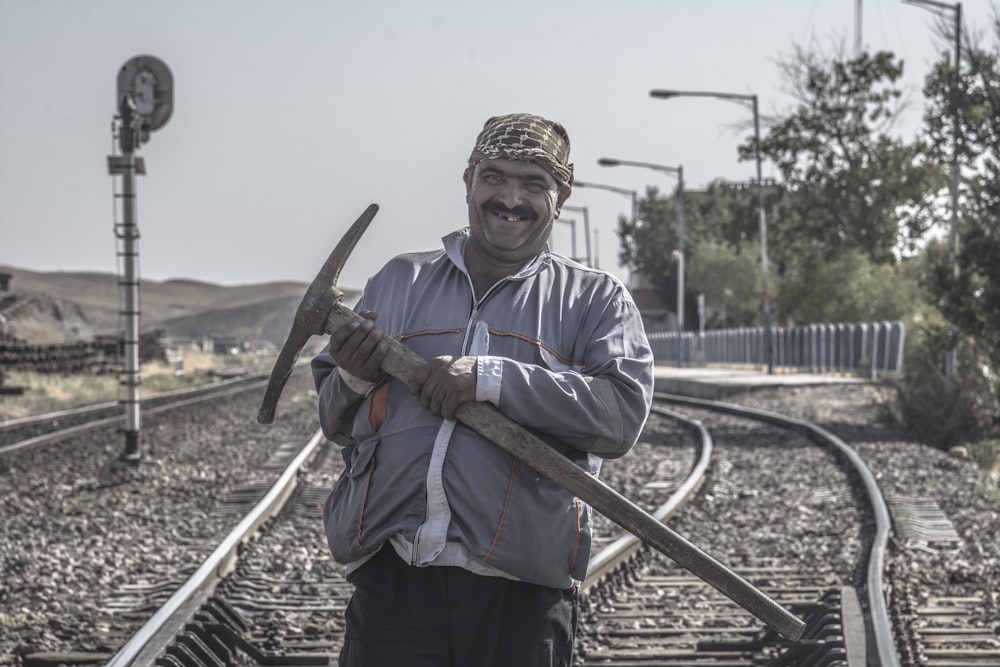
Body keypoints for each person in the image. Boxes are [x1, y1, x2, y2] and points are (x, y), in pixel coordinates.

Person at [312, 112, 654, 667]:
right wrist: (352, 375)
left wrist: (490, 379)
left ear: (561, 194)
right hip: (396, 579)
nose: (510, 198)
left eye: (534, 183)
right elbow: (334, 420)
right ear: (468, 179)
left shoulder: (595, 301)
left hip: (521, 595)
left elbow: (619, 418)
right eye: (494, 176)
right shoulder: (400, 281)